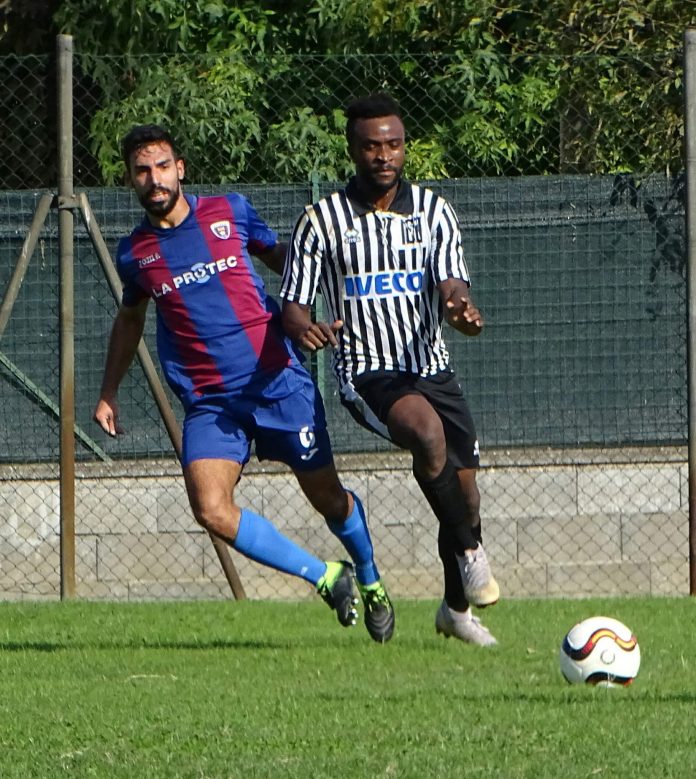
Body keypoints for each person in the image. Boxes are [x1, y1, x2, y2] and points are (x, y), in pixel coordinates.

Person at [93, 124, 394, 643]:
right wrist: (108, 392)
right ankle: (326, 577)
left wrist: (342, 292)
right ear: (130, 179)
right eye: (142, 171)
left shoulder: (229, 211)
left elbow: (287, 260)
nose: (154, 178)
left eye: (163, 166)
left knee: (327, 498)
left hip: (277, 382)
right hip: (210, 402)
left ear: (180, 168)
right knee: (210, 508)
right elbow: (130, 320)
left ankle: (368, 577)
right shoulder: (135, 253)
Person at [281, 93, 499, 647]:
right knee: (426, 434)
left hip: (432, 365)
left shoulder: (434, 211)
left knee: (465, 497)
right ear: (354, 150)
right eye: (372, 146)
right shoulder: (322, 221)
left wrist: (460, 309)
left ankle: (454, 610)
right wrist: (303, 328)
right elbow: (294, 304)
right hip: (369, 370)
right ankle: (472, 552)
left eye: (394, 144)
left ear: (405, 148)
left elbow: (453, 283)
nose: (385, 155)